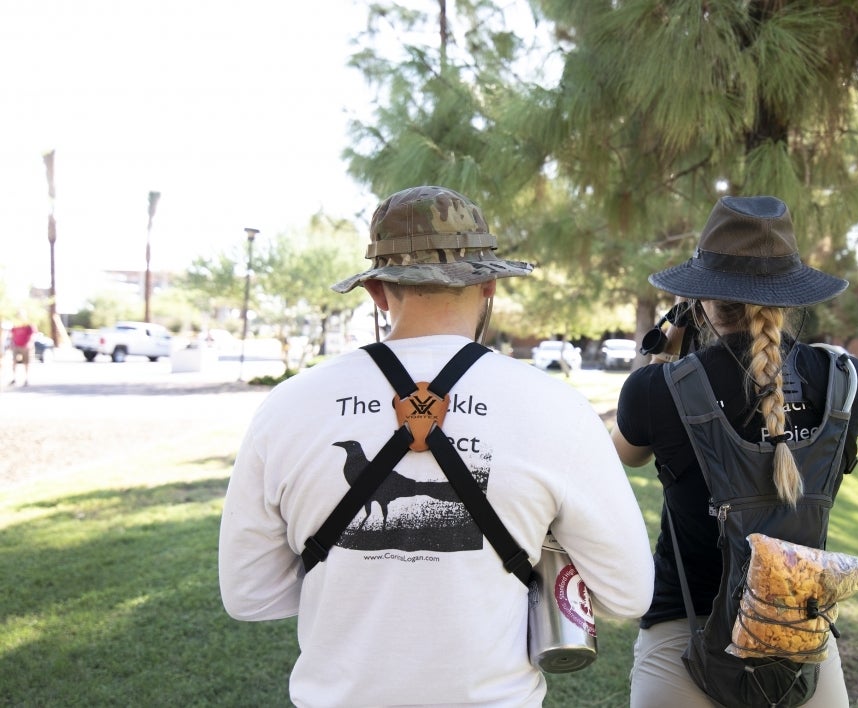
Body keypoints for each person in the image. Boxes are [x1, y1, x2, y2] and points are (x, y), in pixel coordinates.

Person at [218, 185, 655, 708]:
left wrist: (356, 581)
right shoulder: (557, 408)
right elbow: (629, 594)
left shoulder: (286, 407)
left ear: (377, 291)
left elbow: (248, 594)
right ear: (490, 286)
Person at [611, 195, 858, 708]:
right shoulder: (847, 380)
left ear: (701, 297)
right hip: (796, 637)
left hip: (681, 634)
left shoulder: (656, 389)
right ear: (789, 294)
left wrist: (662, 357)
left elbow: (627, 453)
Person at [9, 315, 36, 387]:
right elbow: (12, 335)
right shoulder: (16, 325)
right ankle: (14, 378)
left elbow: (32, 335)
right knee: (14, 362)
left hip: (25, 347)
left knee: (26, 363)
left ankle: (26, 378)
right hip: (16, 346)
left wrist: (30, 344)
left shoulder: (28, 325)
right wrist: (11, 344)